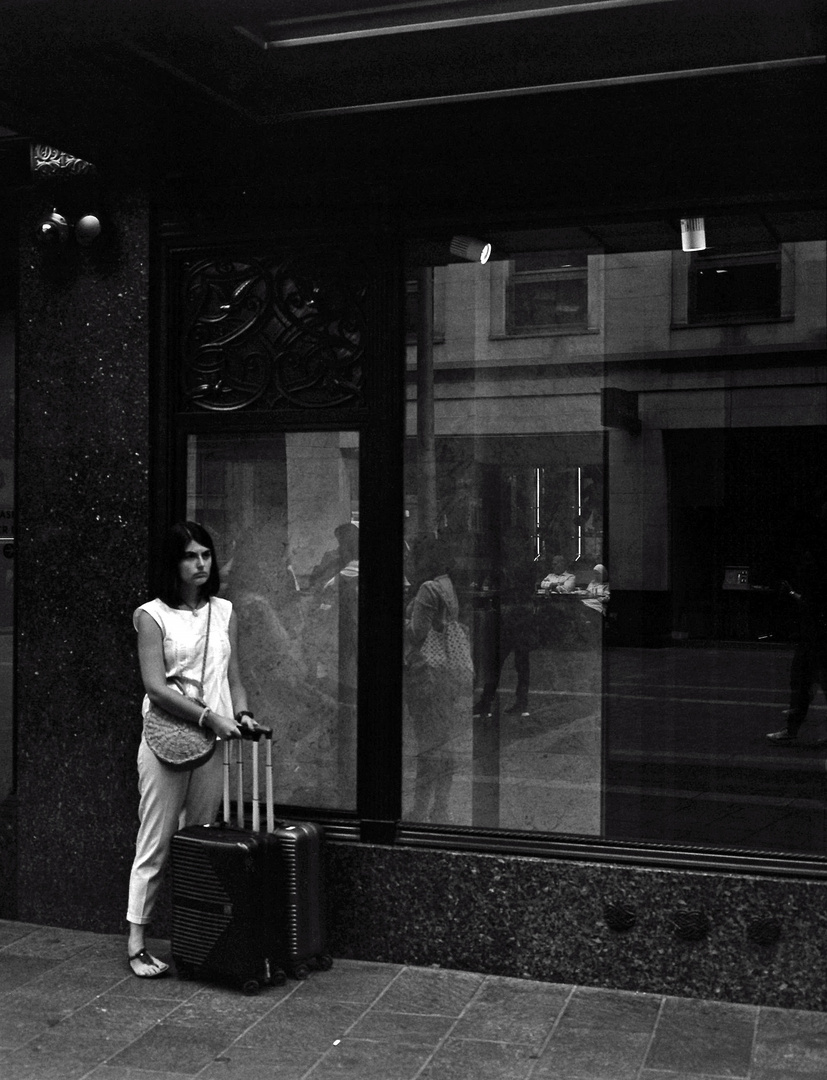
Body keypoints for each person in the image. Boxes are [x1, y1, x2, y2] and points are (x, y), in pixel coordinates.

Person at [126, 521, 256, 977]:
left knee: (199, 835)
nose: (201, 564)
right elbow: (155, 688)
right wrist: (208, 716)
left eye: (206, 555)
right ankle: (137, 940)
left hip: (213, 739)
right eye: (190, 556)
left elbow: (233, 677)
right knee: (156, 838)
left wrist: (241, 714)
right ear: (172, 563)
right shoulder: (151, 615)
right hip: (165, 738)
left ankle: (194, 935)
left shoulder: (224, 611)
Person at [405, 535, 472, 822]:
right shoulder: (447, 585)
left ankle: (420, 808)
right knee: (444, 742)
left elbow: (417, 633)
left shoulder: (427, 588)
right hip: (448, 672)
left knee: (427, 744)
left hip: (425, 672)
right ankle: (441, 807)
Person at [766, 527, 827, 744]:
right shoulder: (818, 578)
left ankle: (791, 729)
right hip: (814, 638)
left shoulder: (818, 580)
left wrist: (791, 593)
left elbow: (809, 605)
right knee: (804, 684)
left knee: (802, 683)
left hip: (816, 640)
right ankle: (791, 727)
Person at [473, 536, 539, 718]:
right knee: (519, 664)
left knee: (500, 662)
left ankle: (488, 701)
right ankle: (519, 701)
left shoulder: (509, 568)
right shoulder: (525, 566)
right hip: (520, 618)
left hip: (512, 618)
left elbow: (499, 589)